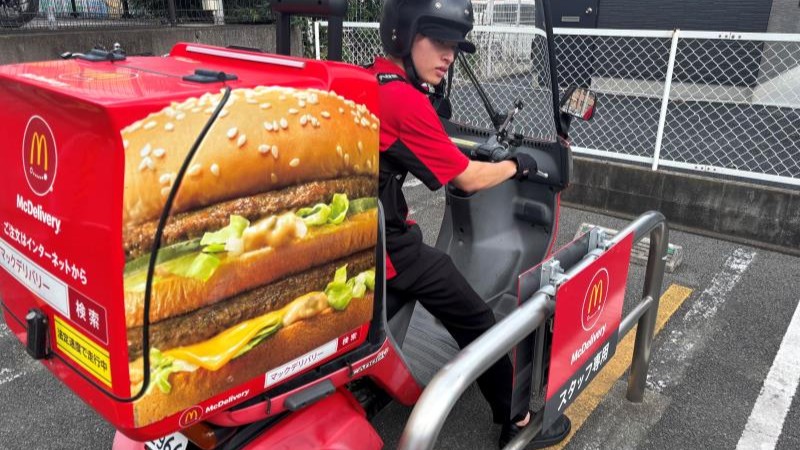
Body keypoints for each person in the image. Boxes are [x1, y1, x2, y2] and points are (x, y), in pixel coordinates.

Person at [369, 0, 571, 448]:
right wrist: (518, 165)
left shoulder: (373, 79)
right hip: (384, 246)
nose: (449, 55)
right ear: (405, 35)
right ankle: (514, 418)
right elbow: (467, 177)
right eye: (439, 41)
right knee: (477, 317)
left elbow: (414, 146)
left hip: (359, 229)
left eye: (454, 46)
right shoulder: (402, 99)